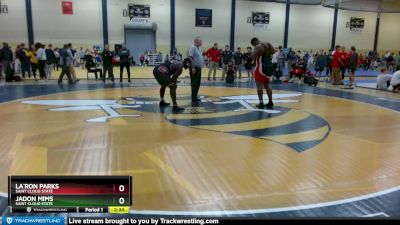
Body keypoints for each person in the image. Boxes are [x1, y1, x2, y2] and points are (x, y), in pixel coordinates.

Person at [250, 37, 275, 109]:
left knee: (259, 85)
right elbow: (273, 52)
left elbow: (252, 57)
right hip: (269, 68)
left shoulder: (258, 46)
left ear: (254, 42)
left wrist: (249, 59)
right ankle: (270, 102)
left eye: (253, 45)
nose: (254, 46)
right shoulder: (268, 44)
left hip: (260, 68)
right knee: (267, 85)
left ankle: (261, 102)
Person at [188, 36, 204, 106]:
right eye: (200, 41)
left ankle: (195, 96)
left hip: (198, 68)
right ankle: (193, 98)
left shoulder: (198, 48)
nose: (201, 42)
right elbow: (190, 58)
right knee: (194, 83)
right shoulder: (193, 48)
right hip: (194, 68)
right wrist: (193, 67)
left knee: (197, 83)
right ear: (196, 41)